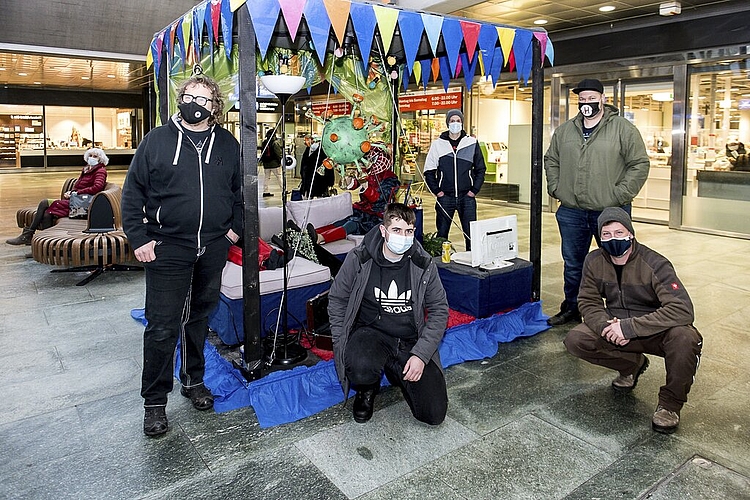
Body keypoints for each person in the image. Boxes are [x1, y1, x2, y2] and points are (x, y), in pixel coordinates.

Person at [121, 73, 241, 437]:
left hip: (213, 246)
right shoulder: (157, 140)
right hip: (167, 247)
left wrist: (233, 230)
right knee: (161, 325)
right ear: (180, 99)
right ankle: (154, 403)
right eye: (189, 96)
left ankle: (193, 381)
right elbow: (132, 193)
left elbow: (240, 193)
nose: (194, 103)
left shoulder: (227, 143)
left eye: (203, 99)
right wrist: (139, 237)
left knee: (199, 318)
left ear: (214, 107)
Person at [564, 207, 702, 434]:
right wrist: (606, 327)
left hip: (654, 329)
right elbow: (588, 301)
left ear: (631, 234)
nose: (613, 239)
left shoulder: (655, 263)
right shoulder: (594, 260)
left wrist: (628, 328)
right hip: (615, 323)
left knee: (685, 338)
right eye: (606, 235)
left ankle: (670, 405)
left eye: (619, 232)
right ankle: (632, 365)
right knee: (576, 339)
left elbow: (682, 309)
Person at [328, 203, 449, 425]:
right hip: (372, 333)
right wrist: (341, 340)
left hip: (410, 339)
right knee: (360, 366)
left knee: (433, 414)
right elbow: (337, 299)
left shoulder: (423, 263)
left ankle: (396, 370)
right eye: (397, 230)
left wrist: (421, 355)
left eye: (409, 231)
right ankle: (366, 389)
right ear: (384, 231)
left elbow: (440, 308)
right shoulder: (359, 258)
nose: (403, 237)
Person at [544, 78, 650, 326]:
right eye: (582, 100)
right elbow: (552, 160)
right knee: (573, 265)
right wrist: (556, 188)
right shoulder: (565, 131)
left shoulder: (623, 129)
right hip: (572, 211)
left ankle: (618, 313)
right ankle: (572, 307)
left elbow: (639, 164)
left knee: (617, 261)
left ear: (602, 99)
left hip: (610, 211)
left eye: (592, 98)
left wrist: (619, 195)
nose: (587, 104)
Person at [6, 147, 109, 245]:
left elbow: (97, 187)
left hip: (82, 205)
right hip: (76, 201)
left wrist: (77, 193)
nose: (91, 158)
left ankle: (28, 235)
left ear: (100, 159)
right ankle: (45, 244)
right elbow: (78, 185)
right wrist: (71, 192)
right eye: (90, 155)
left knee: (44, 203)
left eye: (95, 156)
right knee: (47, 214)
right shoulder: (87, 170)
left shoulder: (100, 171)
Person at [423, 109, 485, 250]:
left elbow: (480, 169)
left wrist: (474, 190)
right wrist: (438, 192)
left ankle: (472, 264)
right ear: (447, 123)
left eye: (458, 121)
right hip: (445, 198)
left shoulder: (472, 143)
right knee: (442, 236)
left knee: (470, 235)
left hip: (467, 198)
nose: (455, 123)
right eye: (452, 121)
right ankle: (439, 265)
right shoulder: (437, 145)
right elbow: (429, 171)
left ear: (462, 123)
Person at [299, 134, 333, 198]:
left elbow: (329, 167)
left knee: (319, 198)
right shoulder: (307, 150)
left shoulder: (323, 152)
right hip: (308, 180)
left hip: (319, 181)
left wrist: (330, 182)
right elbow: (304, 163)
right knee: (308, 196)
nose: (305, 142)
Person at [260, 128, 284, 197]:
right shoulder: (275, 142)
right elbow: (278, 153)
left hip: (266, 164)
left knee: (266, 178)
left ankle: (265, 191)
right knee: (279, 177)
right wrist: (281, 161)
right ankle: (283, 190)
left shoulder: (264, 142)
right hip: (274, 164)